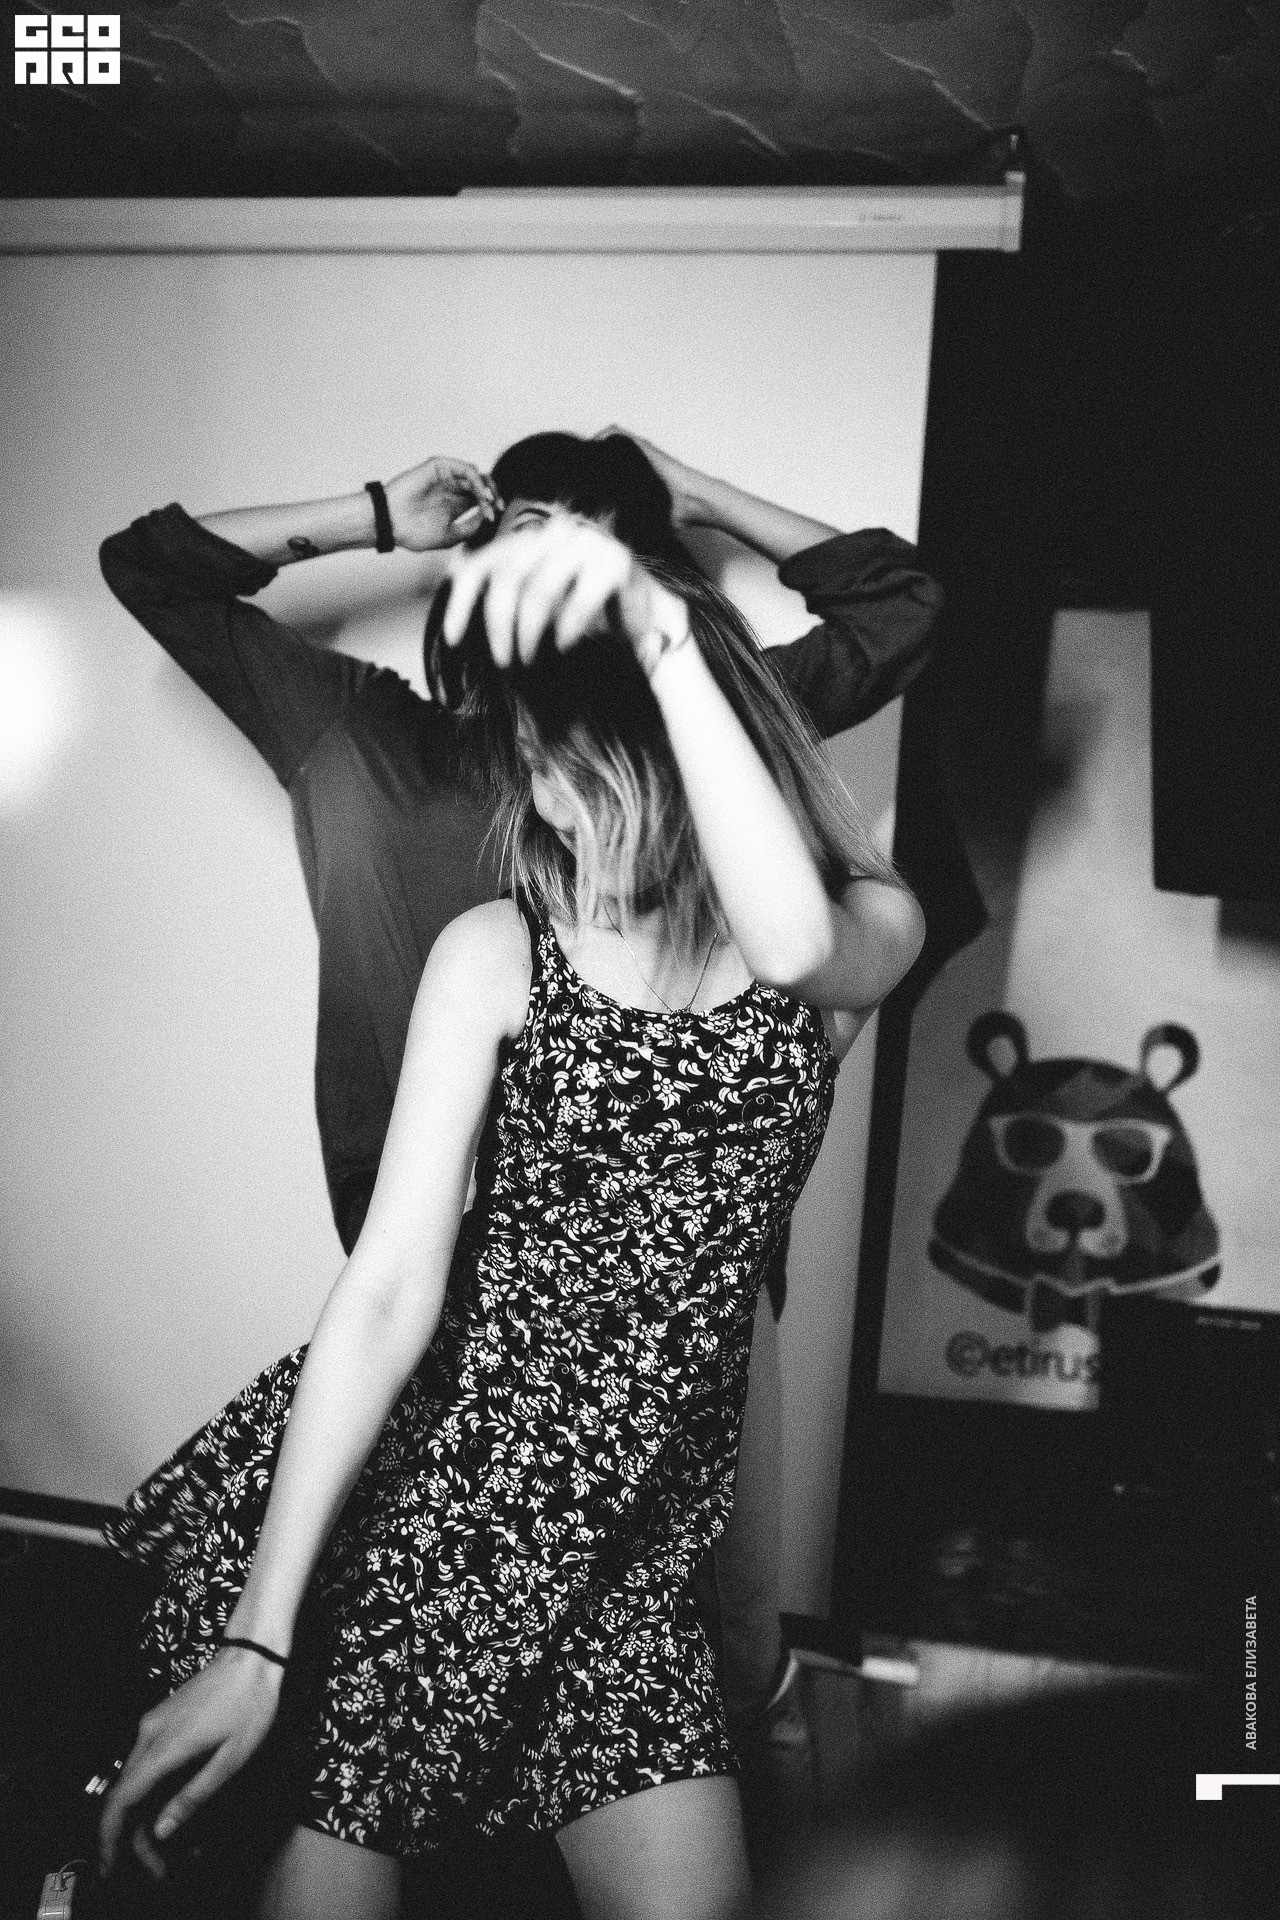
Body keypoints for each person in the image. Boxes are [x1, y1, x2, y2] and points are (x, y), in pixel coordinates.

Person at [97, 509, 925, 1918]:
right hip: (437, 1524)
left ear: (690, 756)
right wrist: (259, 1638)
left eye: (587, 772)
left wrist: (663, 634)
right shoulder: (496, 954)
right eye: (536, 768)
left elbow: (789, 950)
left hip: (629, 1561)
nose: (555, 810)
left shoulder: (856, 932)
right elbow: (388, 1291)